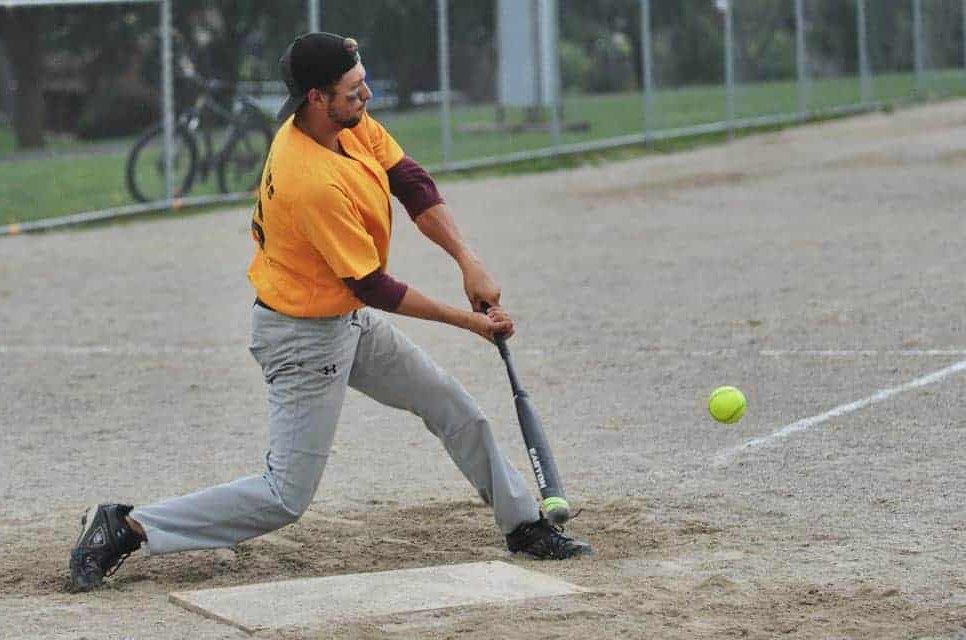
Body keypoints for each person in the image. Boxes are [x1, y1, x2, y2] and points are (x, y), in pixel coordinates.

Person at [69, 32, 591, 592]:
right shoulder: (308, 178)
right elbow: (372, 285)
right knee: (284, 496)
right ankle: (126, 527)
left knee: (453, 406)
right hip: (303, 337)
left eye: (363, 80)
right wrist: (470, 323)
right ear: (316, 97)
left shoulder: (345, 125)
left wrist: (469, 260)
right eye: (352, 88)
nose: (365, 94)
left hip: (343, 317)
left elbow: (410, 182)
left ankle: (525, 526)